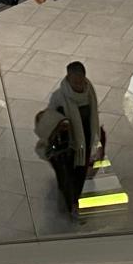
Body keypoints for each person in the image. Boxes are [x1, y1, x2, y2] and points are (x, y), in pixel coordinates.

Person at [40, 61, 102, 217]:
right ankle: (71, 204)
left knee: (80, 174)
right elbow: (50, 119)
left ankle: (74, 200)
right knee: (68, 176)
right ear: (68, 78)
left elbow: (93, 115)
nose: (79, 84)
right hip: (69, 146)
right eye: (75, 81)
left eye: (81, 80)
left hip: (84, 142)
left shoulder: (89, 92)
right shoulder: (59, 97)